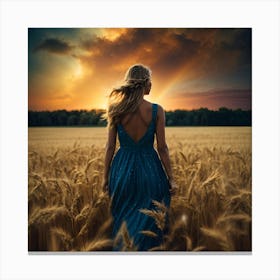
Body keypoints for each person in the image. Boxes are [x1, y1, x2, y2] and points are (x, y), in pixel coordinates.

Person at [102, 64, 177, 251]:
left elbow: (110, 147)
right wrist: (172, 179)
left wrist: (105, 178)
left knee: (122, 222)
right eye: (150, 81)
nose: (152, 85)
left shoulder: (116, 109)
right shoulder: (157, 110)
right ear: (144, 84)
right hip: (150, 170)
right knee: (150, 224)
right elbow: (162, 148)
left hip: (121, 171)